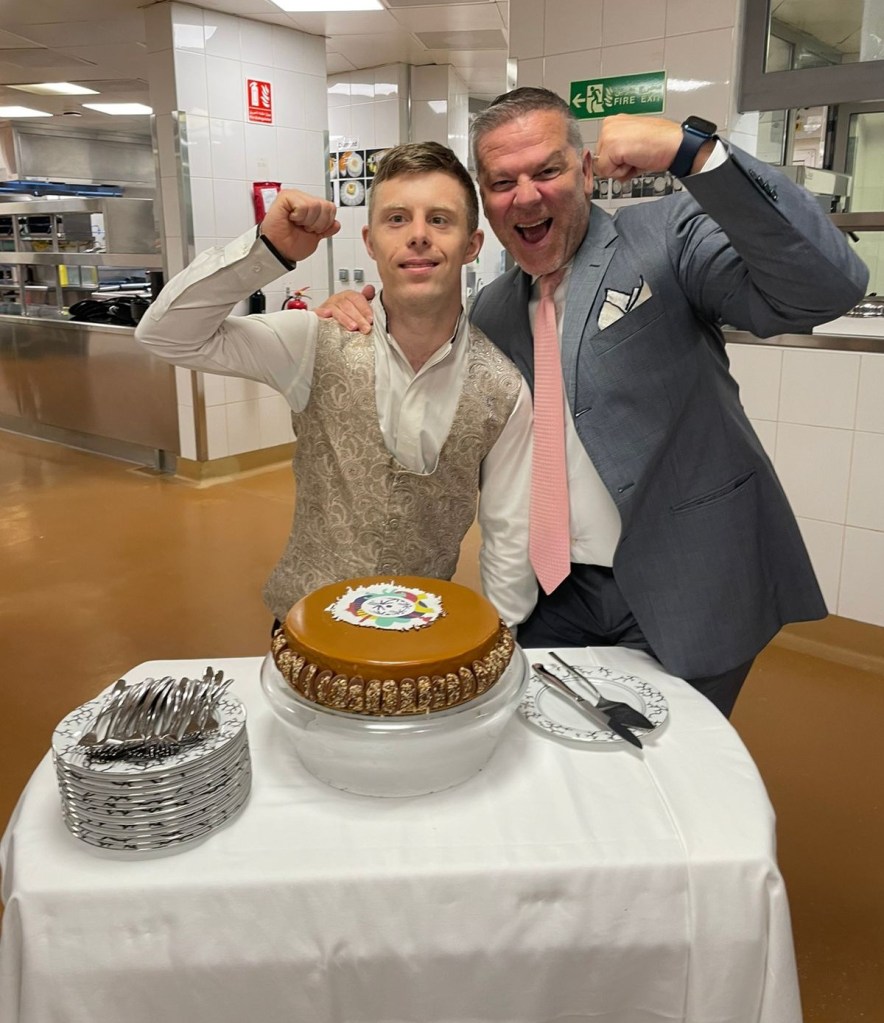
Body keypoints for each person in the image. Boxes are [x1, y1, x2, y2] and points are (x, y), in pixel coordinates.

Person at [317, 88, 869, 716]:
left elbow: (826, 288)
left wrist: (692, 152)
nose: (526, 196)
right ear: (487, 208)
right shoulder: (493, 310)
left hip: (687, 582)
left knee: (673, 775)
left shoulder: (664, 237)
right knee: (555, 763)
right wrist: (361, 313)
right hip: (552, 596)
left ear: (583, 171)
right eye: (502, 181)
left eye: (547, 170)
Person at [136, 142, 536, 630]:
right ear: (369, 241)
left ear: (472, 244)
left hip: (422, 638)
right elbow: (164, 334)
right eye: (396, 219)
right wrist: (268, 252)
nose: (417, 236)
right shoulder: (312, 343)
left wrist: (507, 638)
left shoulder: (503, 389)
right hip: (307, 631)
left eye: (439, 219)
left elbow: (509, 530)